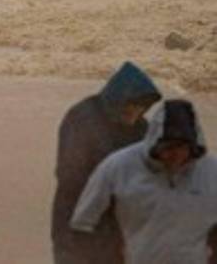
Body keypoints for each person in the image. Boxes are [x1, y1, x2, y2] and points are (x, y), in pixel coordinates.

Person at [72, 99, 217, 263]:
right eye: (168, 147)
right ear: (154, 142)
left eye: (182, 146)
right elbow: (84, 222)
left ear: (194, 145)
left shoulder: (212, 172)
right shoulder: (118, 166)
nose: (175, 154)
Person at [51, 61, 161, 263]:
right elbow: (69, 175)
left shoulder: (141, 129)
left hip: (118, 230)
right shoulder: (82, 118)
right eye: (132, 104)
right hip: (75, 221)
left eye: (142, 107)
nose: (136, 111)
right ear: (118, 98)